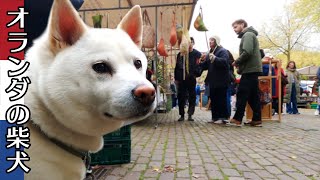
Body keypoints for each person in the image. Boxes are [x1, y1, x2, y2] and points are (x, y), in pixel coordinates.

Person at [229, 19, 263, 127]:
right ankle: (257, 119)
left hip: (250, 70)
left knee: (242, 93)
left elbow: (247, 52)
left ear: (242, 25)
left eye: (235, 27)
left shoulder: (247, 35)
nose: (234, 30)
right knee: (253, 96)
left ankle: (237, 118)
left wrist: (236, 62)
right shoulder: (250, 35)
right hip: (252, 69)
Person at [200, 36, 230, 124]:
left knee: (221, 98)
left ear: (217, 41)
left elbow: (225, 62)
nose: (210, 42)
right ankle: (215, 117)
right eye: (209, 40)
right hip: (212, 80)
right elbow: (205, 66)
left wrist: (215, 58)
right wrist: (201, 61)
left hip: (221, 79)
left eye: (212, 40)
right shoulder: (210, 52)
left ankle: (223, 117)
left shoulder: (222, 51)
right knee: (213, 98)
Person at [174, 37, 202, 121]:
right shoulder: (181, 54)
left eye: (190, 43)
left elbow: (199, 66)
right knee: (181, 96)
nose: (189, 44)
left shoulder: (197, 54)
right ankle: (181, 114)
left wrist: (195, 74)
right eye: (187, 43)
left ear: (193, 43)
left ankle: (190, 114)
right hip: (181, 79)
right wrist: (176, 78)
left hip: (191, 79)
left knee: (192, 96)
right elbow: (177, 67)